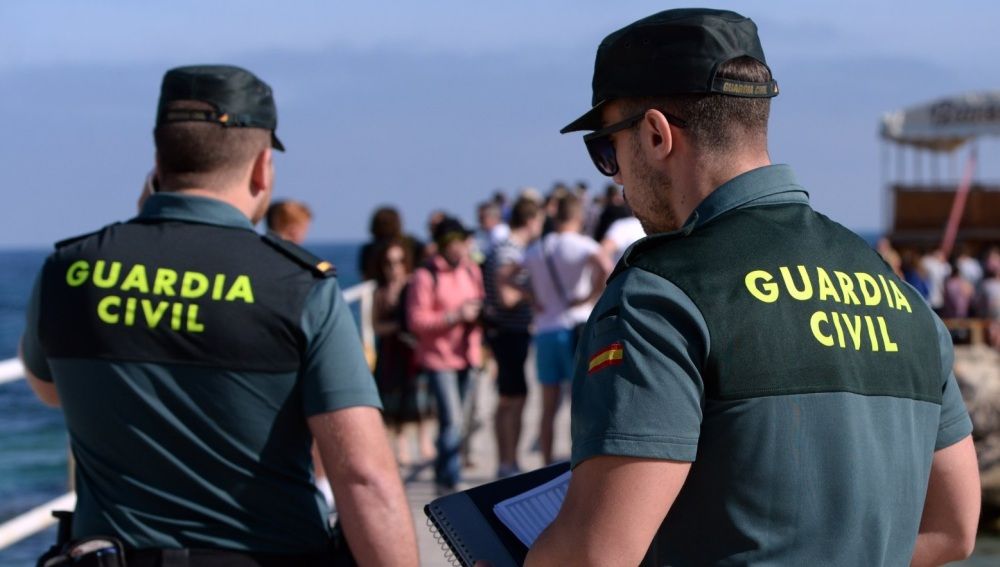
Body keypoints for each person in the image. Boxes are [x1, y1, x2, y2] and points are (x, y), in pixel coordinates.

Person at [527, 9, 978, 567]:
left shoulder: (662, 295)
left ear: (655, 134)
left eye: (606, 150)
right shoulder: (899, 294)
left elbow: (596, 554)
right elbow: (953, 530)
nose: (616, 177)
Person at [20, 64, 418, 566]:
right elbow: (364, 477)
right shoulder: (299, 287)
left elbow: (50, 389)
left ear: (158, 161)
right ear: (262, 168)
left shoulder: (67, 270)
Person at [522, 194, 611, 464]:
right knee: (580, 402)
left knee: (547, 406)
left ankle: (545, 462)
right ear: (578, 216)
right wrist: (590, 296)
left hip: (545, 329)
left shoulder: (537, 248)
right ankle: (577, 462)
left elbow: (506, 275)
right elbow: (607, 268)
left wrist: (531, 297)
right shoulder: (583, 244)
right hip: (576, 325)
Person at [406, 216, 485, 493]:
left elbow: (480, 302)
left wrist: (479, 317)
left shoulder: (471, 270)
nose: (461, 247)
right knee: (451, 419)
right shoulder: (425, 276)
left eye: (463, 241)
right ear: (443, 244)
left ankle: (444, 472)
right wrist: (454, 317)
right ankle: (451, 479)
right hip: (439, 358)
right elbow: (416, 321)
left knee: (461, 419)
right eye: (455, 242)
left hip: (468, 353)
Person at [481, 198, 545, 478]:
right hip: (508, 333)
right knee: (512, 399)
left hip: (510, 332)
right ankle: (507, 461)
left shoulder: (508, 248)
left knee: (513, 397)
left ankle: (508, 460)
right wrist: (534, 296)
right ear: (531, 220)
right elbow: (506, 297)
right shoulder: (509, 251)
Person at [371, 238, 435, 465]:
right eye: (389, 263)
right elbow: (376, 325)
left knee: (420, 397)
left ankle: (425, 441)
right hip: (391, 352)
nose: (394, 267)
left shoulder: (413, 285)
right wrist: (398, 326)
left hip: (413, 351)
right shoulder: (380, 292)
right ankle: (402, 446)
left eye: (398, 262)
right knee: (394, 399)